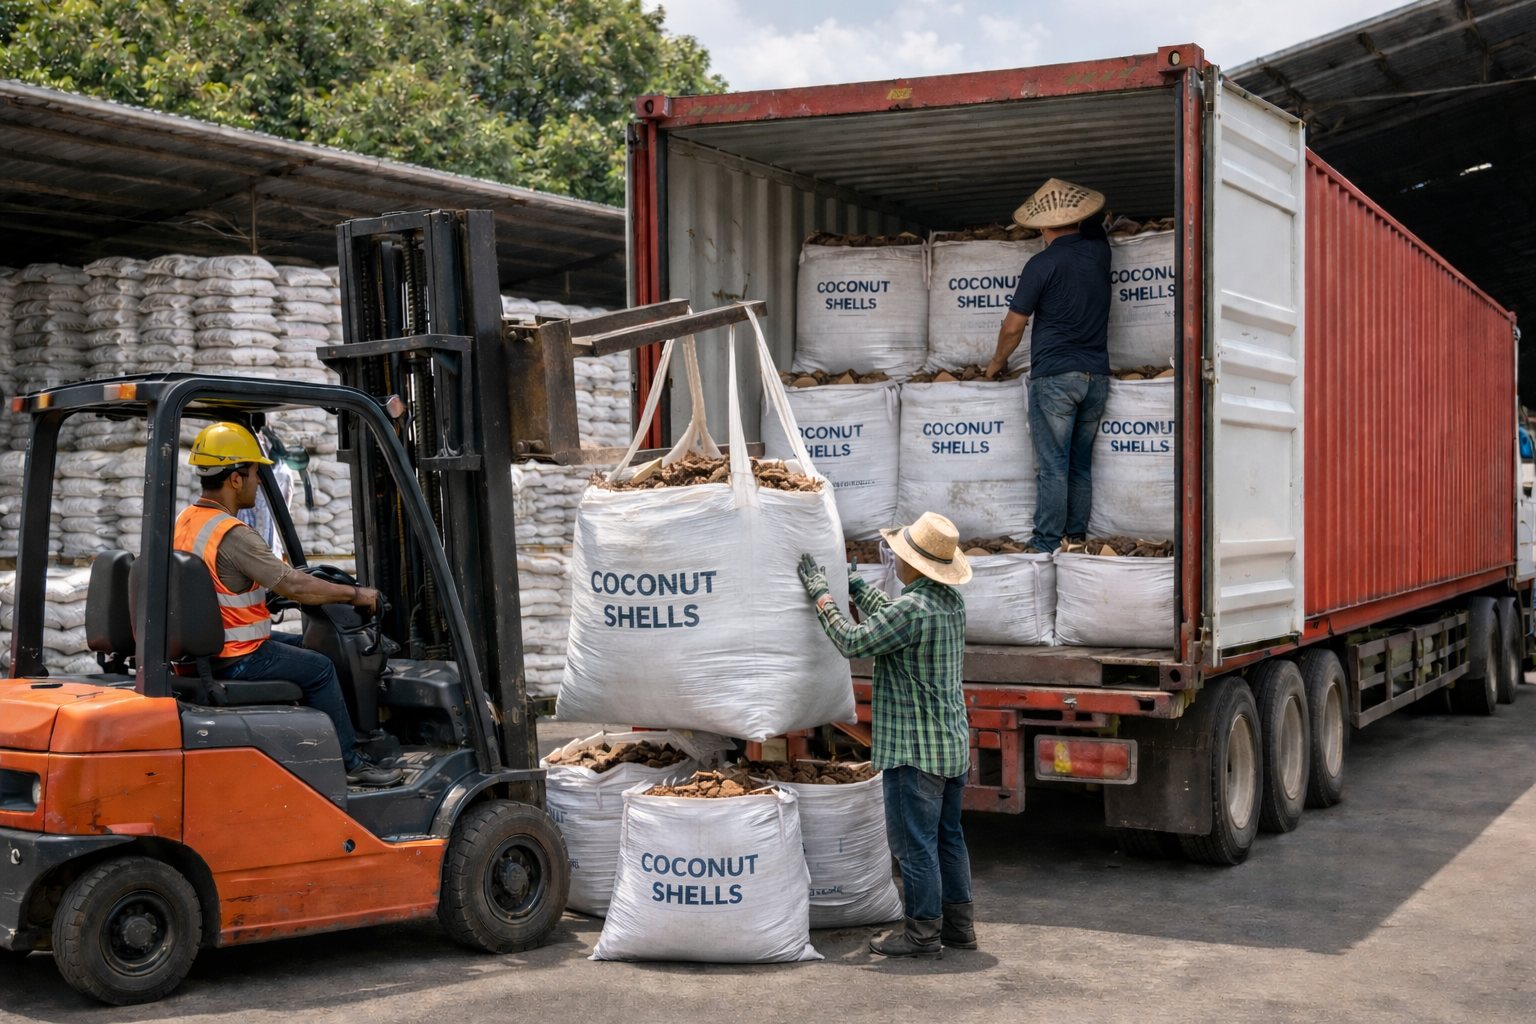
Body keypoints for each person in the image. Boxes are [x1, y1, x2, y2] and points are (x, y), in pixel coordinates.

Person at [177, 422, 402, 787]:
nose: (256, 481)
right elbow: (296, 584)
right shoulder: (233, 534)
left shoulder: (186, 522)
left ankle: (313, 746)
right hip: (236, 657)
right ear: (235, 479)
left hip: (207, 652)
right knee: (322, 666)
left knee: (308, 644)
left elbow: (217, 588)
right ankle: (349, 763)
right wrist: (356, 594)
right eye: (253, 473)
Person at [797, 511, 975, 959]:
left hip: (914, 754)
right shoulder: (948, 604)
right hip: (951, 746)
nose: (894, 559)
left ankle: (920, 936)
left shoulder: (913, 610)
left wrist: (822, 595)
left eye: (900, 554)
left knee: (914, 847)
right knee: (948, 838)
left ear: (915, 564)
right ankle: (958, 930)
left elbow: (853, 642)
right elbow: (893, 619)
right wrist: (857, 589)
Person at [985, 177, 1113, 554]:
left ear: (1042, 226)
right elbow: (1098, 225)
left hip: (1056, 377)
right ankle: (1075, 540)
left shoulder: (1041, 264)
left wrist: (995, 364)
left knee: (1053, 465)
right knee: (1079, 465)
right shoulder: (1100, 254)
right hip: (1096, 378)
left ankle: (1044, 545)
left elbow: (1013, 327)